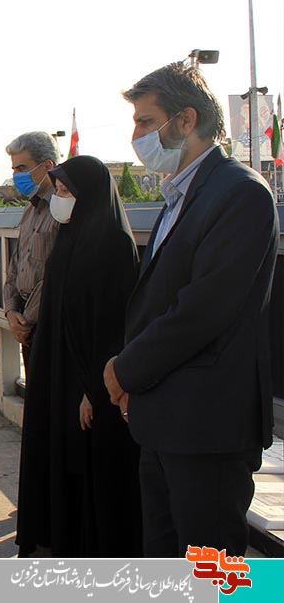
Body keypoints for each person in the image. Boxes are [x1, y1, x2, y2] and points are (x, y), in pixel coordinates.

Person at [103, 62, 279, 557]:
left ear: (185, 119)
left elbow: (202, 310)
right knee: (165, 563)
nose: (136, 136)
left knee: (212, 571)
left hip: (208, 426)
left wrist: (125, 370)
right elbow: (156, 299)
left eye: (145, 121)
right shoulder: (178, 195)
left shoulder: (241, 193)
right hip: (163, 419)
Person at [16, 155, 142, 557]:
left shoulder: (114, 245)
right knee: (56, 456)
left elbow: (113, 326)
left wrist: (93, 390)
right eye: (57, 189)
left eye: (67, 190)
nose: (59, 197)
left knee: (87, 465)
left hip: (89, 379)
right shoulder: (69, 236)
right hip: (56, 372)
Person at [3, 132, 61, 370]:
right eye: (14, 169)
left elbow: (56, 274)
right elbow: (16, 265)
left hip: (49, 321)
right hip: (25, 322)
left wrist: (27, 318)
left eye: (22, 168)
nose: (17, 176)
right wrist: (10, 311)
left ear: (47, 166)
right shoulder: (30, 211)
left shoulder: (63, 208)